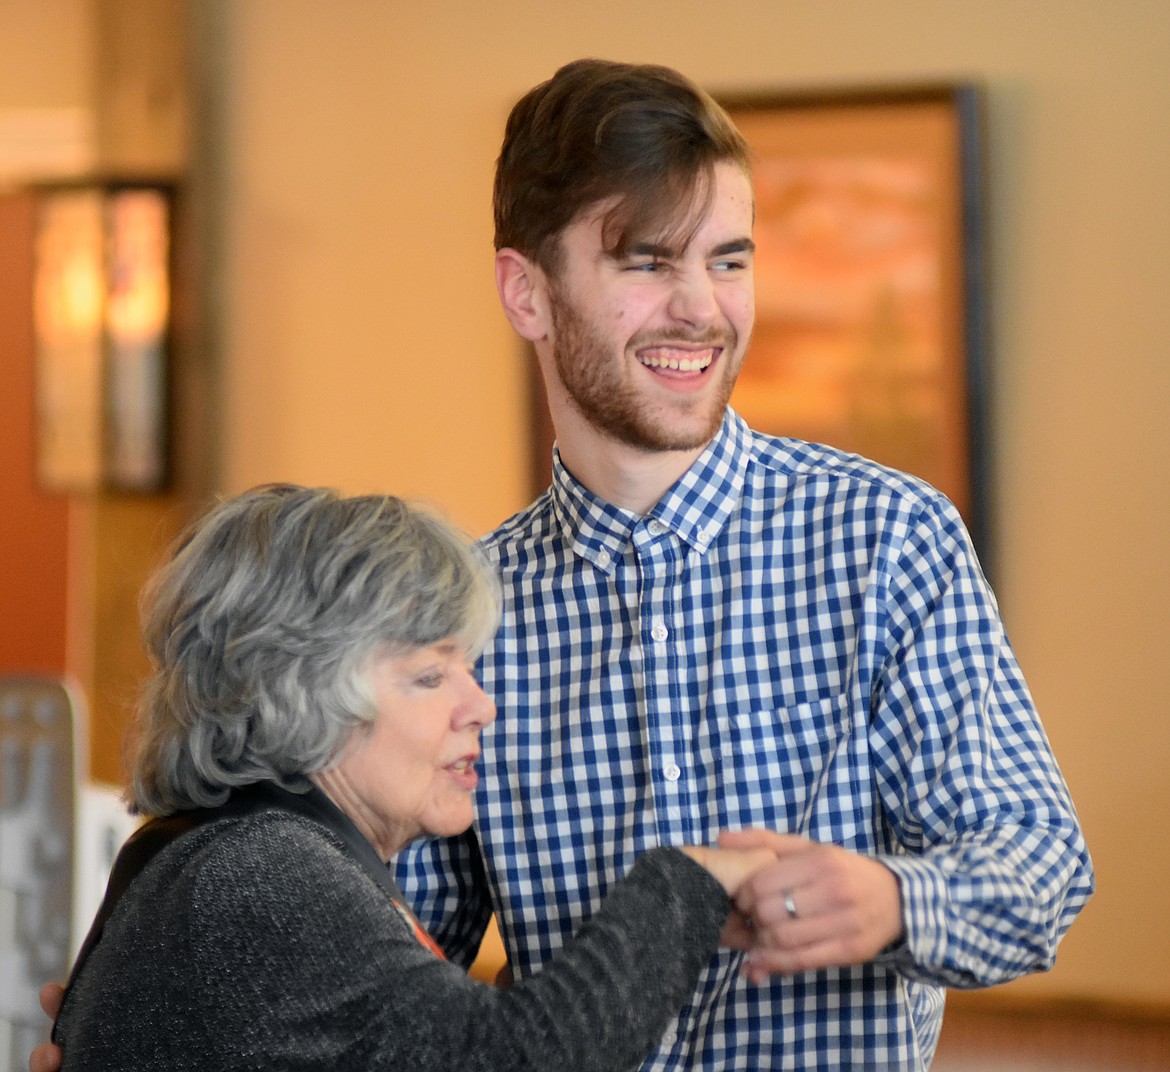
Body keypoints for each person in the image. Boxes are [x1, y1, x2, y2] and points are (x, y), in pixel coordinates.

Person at [392, 58, 1095, 1070]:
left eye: (728, 260)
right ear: (527, 292)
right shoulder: (465, 614)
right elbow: (385, 957)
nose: (701, 310)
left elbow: (1039, 868)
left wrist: (896, 901)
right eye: (647, 262)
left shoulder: (887, 539)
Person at [44, 484, 779, 1071]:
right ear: (304, 695)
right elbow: (510, 1059)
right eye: (429, 676)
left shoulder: (216, 859)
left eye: (469, 666)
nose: (481, 705)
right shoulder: (262, 871)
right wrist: (690, 883)